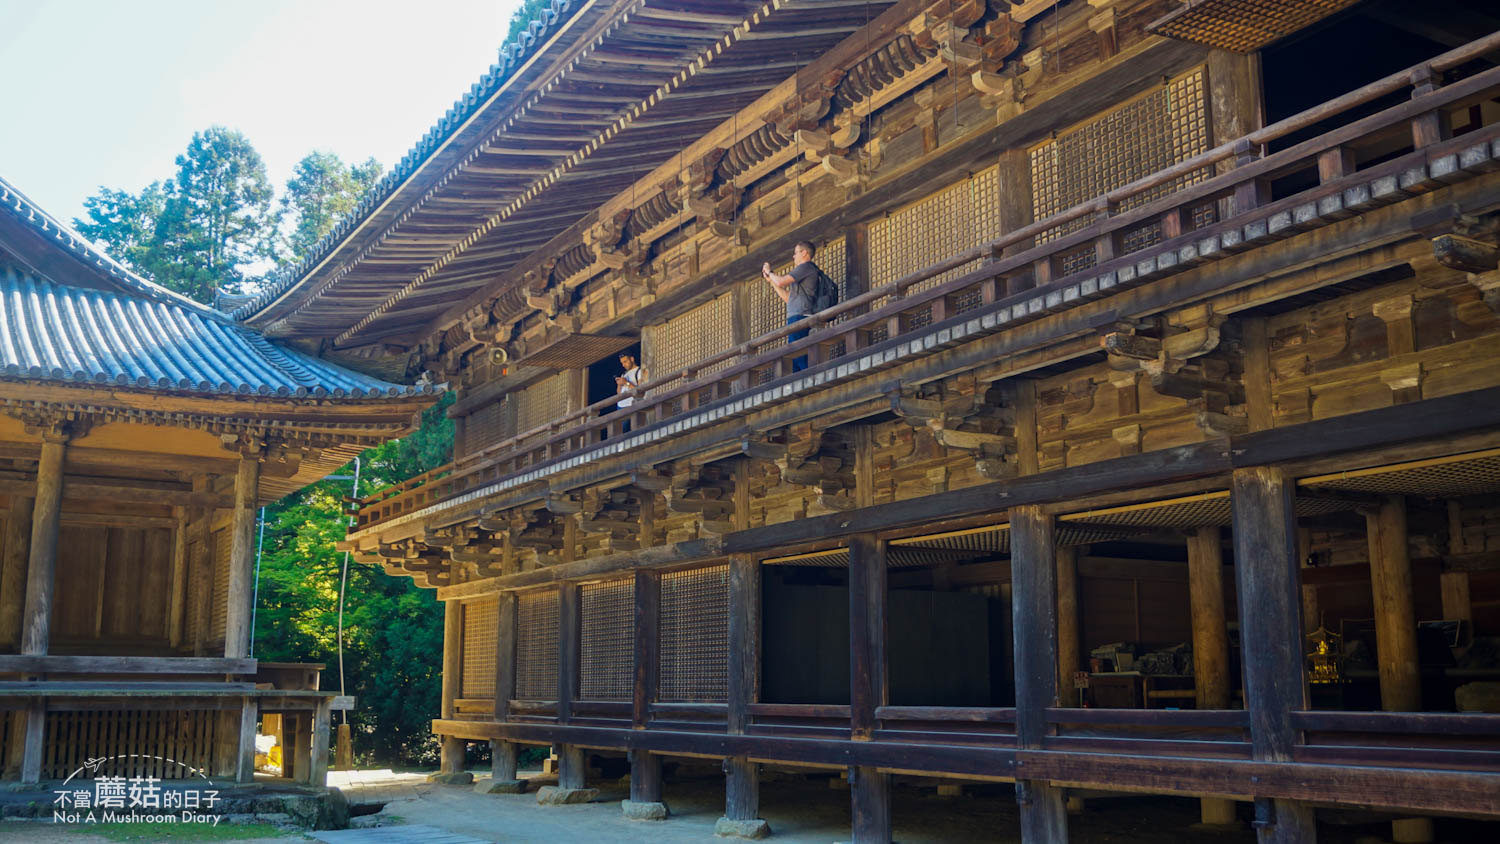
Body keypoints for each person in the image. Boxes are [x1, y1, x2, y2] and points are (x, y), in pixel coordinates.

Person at [761, 240, 821, 372]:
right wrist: (771, 281)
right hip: (796, 315)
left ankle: (809, 376)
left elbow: (782, 282)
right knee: (794, 354)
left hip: (801, 316)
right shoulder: (804, 271)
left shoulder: (805, 267)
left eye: (795, 253)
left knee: (798, 351)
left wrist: (770, 272)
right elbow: (788, 297)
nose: (793, 256)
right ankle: (799, 377)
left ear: (804, 253)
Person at [614, 352, 645, 432]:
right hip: (621, 405)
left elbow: (640, 390)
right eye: (622, 363)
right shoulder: (623, 374)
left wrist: (626, 383)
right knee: (620, 431)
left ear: (632, 359)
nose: (623, 365)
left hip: (631, 404)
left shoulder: (639, 371)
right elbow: (618, 392)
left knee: (632, 428)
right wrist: (620, 384)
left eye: (625, 361)